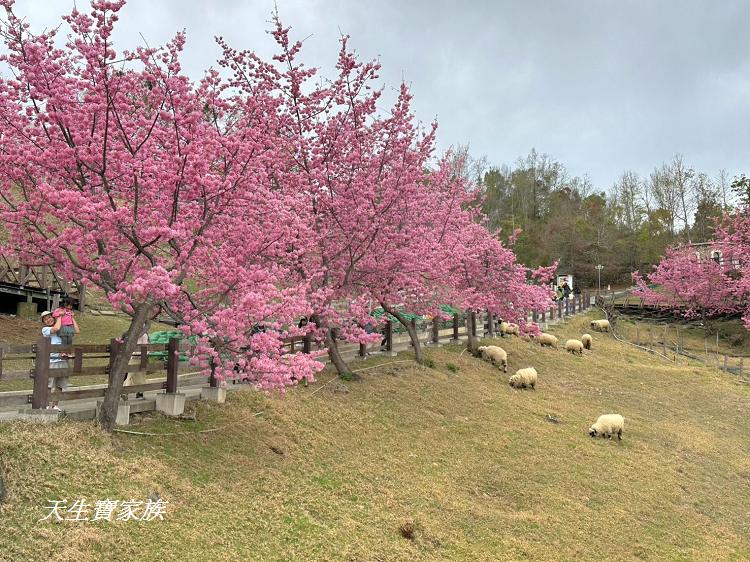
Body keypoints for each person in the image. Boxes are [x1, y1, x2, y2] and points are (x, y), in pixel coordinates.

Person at [40, 311, 69, 411]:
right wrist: (60, 316)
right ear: (44, 322)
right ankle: (45, 405)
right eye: (46, 319)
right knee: (49, 384)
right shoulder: (45, 329)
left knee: (60, 384)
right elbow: (55, 329)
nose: (49, 319)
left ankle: (55, 405)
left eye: (50, 317)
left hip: (62, 360)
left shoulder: (61, 328)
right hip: (51, 361)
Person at [124, 330, 149, 399]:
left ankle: (125, 392)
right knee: (140, 377)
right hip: (140, 358)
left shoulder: (131, 334)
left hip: (132, 358)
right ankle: (139, 394)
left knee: (130, 376)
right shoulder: (144, 335)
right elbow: (145, 347)